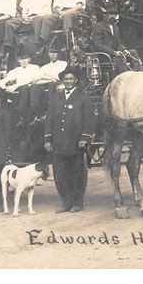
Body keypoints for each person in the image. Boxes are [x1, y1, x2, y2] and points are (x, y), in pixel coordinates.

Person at [44, 66, 95, 213]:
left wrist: (85, 138)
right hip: (59, 143)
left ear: (76, 81)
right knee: (62, 174)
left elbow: (89, 121)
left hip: (76, 143)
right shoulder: (55, 99)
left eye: (71, 79)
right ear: (62, 81)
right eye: (66, 79)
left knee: (77, 174)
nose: (68, 81)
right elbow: (49, 120)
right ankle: (66, 203)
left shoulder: (83, 98)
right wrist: (48, 139)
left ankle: (77, 203)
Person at [0, 45, 41, 126]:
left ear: (29, 59)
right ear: (18, 60)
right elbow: (7, 79)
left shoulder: (35, 68)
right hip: (17, 93)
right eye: (21, 59)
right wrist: (2, 85)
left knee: (24, 88)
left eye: (25, 58)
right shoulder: (16, 70)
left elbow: (31, 80)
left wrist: (16, 85)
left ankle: (21, 116)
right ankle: (2, 114)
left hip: (30, 91)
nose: (23, 61)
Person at [91, 5, 139, 72]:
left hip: (114, 55)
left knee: (133, 52)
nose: (113, 16)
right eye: (111, 14)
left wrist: (124, 50)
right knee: (120, 60)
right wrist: (113, 52)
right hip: (104, 56)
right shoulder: (99, 27)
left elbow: (118, 43)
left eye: (115, 14)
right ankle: (123, 79)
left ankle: (138, 74)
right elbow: (98, 45)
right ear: (106, 15)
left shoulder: (116, 28)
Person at [28, 42, 67, 123]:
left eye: (55, 52)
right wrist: (51, 78)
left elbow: (60, 78)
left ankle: (51, 111)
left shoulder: (64, 64)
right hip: (45, 86)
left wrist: (44, 76)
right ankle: (37, 114)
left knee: (52, 84)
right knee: (35, 87)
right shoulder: (44, 67)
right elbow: (34, 80)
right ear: (48, 54)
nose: (52, 55)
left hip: (59, 86)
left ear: (58, 53)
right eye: (50, 52)